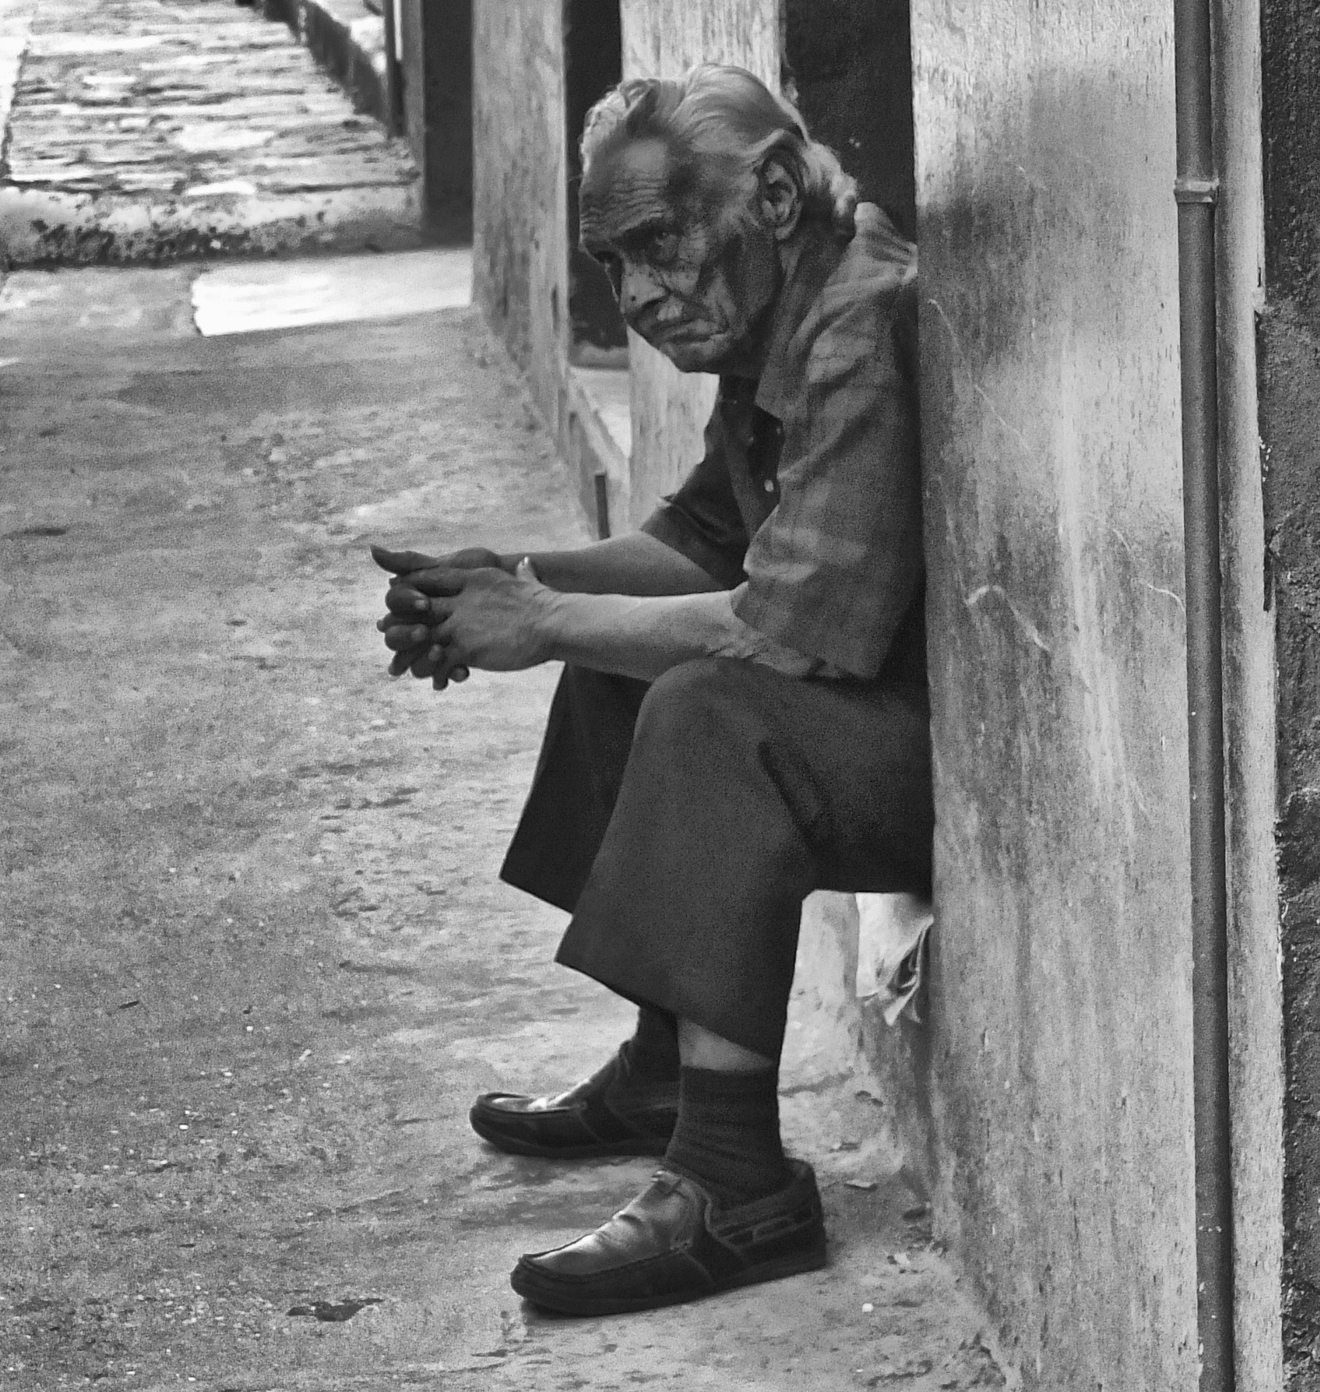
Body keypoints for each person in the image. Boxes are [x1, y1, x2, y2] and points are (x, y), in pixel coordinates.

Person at [371, 63, 927, 1318]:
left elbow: (787, 631)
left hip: (950, 762)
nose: (635, 296)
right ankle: (670, 1064)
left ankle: (736, 1177)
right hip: (867, 715)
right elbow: (698, 544)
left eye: (655, 247)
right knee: (618, 649)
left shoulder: (856, 324)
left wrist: (548, 615)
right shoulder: (772, 304)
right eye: (611, 265)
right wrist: (510, 585)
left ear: (774, 196)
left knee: (704, 701)